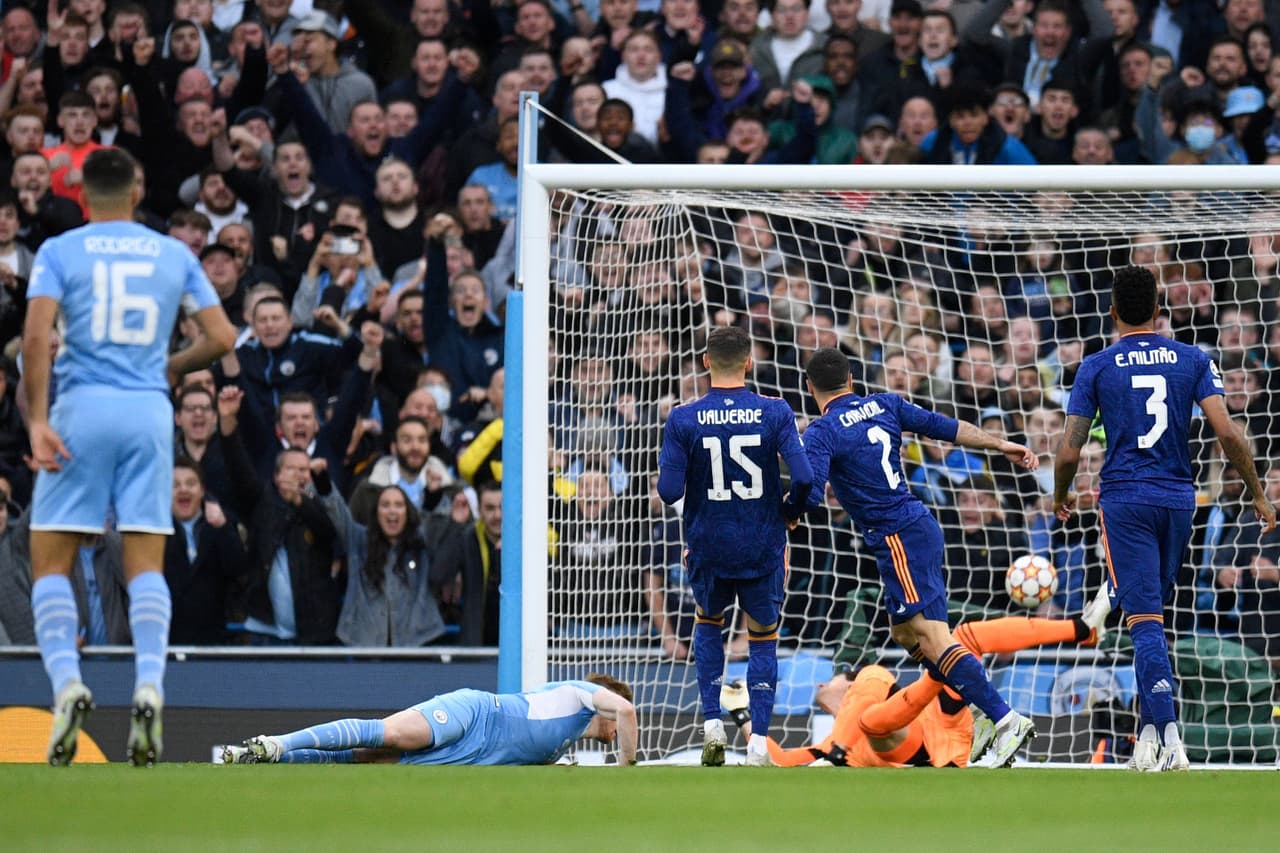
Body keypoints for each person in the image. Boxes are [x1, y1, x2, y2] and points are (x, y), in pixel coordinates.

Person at [22, 147, 236, 766]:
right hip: (147, 413)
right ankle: (149, 684)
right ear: (136, 192)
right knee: (145, 559)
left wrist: (37, 419)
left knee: (51, 561)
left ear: (84, 193)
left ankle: (67, 684)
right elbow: (222, 337)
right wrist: (165, 369)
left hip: (82, 410)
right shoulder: (174, 254)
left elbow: (37, 336)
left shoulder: (62, 251)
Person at [1052, 264, 1277, 772]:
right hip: (1179, 500)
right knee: (1151, 614)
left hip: (1126, 500)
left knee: (1144, 620)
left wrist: (1060, 496)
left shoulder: (1096, 366)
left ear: (1111, 312)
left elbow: (1068, 453)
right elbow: (1228, 433)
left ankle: (1171, 736)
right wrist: (1257, 493)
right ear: (1159, 310)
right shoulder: (1194, 358)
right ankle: (1148, 737)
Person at [799, 346, 1039, 768]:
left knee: (932, 636)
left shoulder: (822, 431)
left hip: (897, 537)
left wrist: (784, 505)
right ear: (852, 379)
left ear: (809, 387)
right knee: (906, 634)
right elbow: (947, 428)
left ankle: (1004, 718)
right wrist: (1001, 444)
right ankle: (979, 704)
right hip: (917, 526)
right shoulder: (885, 404)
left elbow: (812, 492)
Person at [656, 325, 813, 766]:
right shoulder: (775, 411)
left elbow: (668, 492)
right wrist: (791, 509)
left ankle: (711, 726)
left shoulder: (683, 417)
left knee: (708, 623)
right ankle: (759, 742)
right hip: (762, 543)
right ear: (749, 362)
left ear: (706, 362)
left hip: (709, 543)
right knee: (762, 638)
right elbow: (803, 477)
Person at [722, 609, 1110, 767]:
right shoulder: (832, 743)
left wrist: (741, 713)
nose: (825, 685)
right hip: (919, 751)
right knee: (875, 705)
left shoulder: (866, 699)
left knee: (960, 640)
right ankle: (947, 677)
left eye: (837, 681)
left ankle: (1080, 629)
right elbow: (779, 760)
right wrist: (741, 712)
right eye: (830, 685)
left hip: (931, 732)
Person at [221, 673, 638, 766]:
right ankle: (278, 741)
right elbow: (627, 710)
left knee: (368, 760)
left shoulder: (562, 744)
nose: (622, 734)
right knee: (392, 734)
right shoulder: (578, 693)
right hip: (477, 714)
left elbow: (529, 755)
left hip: (474, 756)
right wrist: (627, 768)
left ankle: (249, 757)